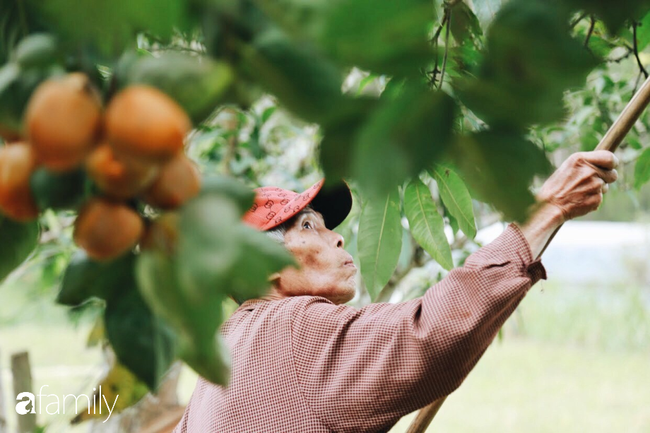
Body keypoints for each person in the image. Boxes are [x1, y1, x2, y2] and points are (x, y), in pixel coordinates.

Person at [173, 150, 618, 432]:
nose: (338, 238)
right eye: (308, 226)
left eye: (328, 226)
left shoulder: (221, 362)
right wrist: (546, 212)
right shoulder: (293, 328)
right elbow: (428, 333)